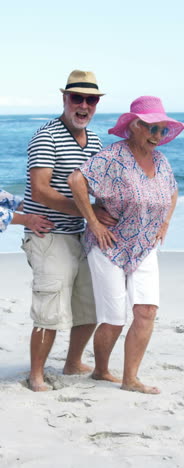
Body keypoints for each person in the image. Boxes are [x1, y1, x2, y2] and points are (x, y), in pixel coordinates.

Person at [68, 95, 184, 394]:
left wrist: (165, 223)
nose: (158, 136)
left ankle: (130, 378)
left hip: (145, 245)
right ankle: (101, 370)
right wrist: (93, 222)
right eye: (153, 128)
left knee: (146, 310)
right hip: (108, 246)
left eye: (163, 130)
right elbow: (76, 181)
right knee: (114, 318)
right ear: (135, 125)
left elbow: (172, 191)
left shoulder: (160, 161)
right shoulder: (113, 157)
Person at [22, 70, 116, 392]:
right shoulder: (46, 137)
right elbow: (40, 191)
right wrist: (89, 213)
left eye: (91, 100)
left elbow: (99, 187)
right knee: (50, 308)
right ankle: (36, 375)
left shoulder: (97, 141)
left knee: (90, 303)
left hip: (83, 235)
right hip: (48, 235)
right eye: (78, 98)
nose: (84, 105)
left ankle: (73, 362)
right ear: (65, 99)